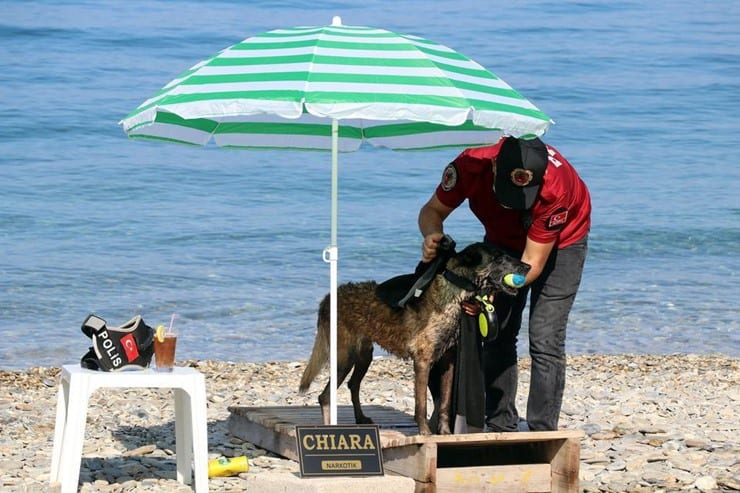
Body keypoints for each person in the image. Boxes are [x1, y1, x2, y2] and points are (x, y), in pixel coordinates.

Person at [418, 135, 591, 432]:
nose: (513, 204)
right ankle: (501, 424)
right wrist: (432, 234)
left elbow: (531, 264)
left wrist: (494, 289)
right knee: (497, 330)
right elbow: (431, 211)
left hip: (563, 243)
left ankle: (541, 432)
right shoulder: (470, 164)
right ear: (494, 165)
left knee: (545, 336)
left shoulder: (555, 189)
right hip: (501, 243)